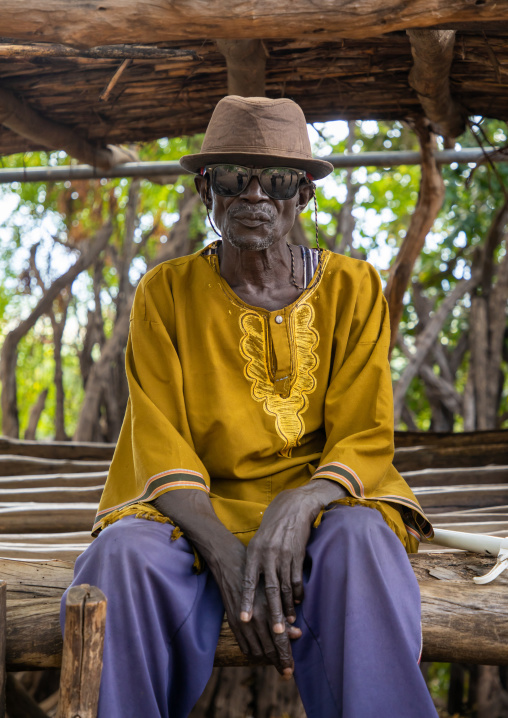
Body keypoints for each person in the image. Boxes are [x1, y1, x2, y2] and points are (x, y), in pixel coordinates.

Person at [62, 95, 438, 718]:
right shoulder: (167, 292)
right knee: (121, 555)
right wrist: (228, 553)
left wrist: (300, 502)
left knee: (361, 537)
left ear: (304, 195)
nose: (255, 196)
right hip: (198, 513)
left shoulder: (355, 286)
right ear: (207, 189)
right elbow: (158, 442)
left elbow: (364, 434)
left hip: (324, 504)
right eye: (235, 178)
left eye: (280, 179)